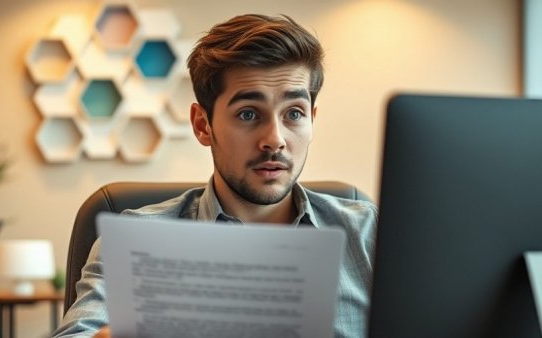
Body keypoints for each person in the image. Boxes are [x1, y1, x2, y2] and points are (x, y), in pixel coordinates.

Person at [53, 14, 377, 338]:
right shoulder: (133, 242)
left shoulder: (369, 235)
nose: (275, 139)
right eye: (248, 114)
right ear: (202, 125)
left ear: (312, 120)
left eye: (294, 113)